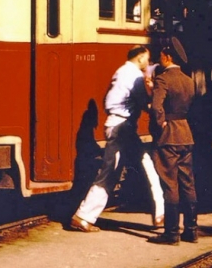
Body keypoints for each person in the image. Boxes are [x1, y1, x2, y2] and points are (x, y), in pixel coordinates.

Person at [69, 46, 165, 233]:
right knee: (143, 167)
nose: (148, 62)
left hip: (115, 124)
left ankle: (84, 216)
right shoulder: (134, 75)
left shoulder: (120, 71)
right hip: (124, 126)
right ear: (139, 58)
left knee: (112, 172)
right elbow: (144, 101)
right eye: (146, 59)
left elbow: (109, 100)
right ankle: (160, 214)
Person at [148, 45, 197, 245]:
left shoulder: (163, 79)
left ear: (168, 57)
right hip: (186, 133)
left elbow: (157, 107)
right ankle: (192, 230)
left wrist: (160, 125)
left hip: (169, 136)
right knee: (188, 182)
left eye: (161, 56)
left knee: (170, 183)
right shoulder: (188, 80)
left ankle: (171, 233)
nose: (159, 59)